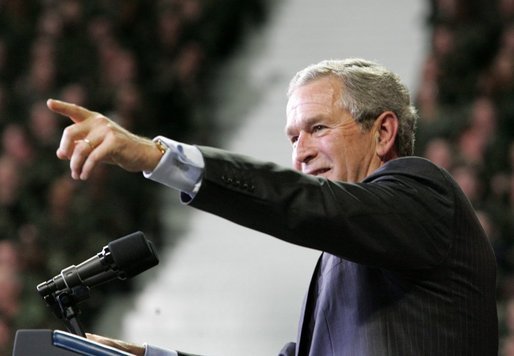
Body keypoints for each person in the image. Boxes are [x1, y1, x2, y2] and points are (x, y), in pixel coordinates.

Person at [47, 58, 499, 356]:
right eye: (292, 138)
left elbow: (306, 203)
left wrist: (156, 156)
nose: (299, 153)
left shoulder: (425, 194)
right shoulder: (342, 256)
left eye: (316, 127)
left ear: (382, 133)